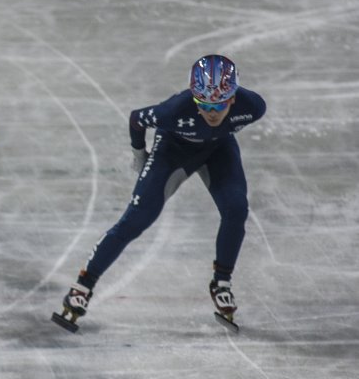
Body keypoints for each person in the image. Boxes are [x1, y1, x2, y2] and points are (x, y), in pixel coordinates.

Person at [53, 54, 266, 333]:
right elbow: (136, 119)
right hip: (173, 150)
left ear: (234, 98)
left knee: (236, 209)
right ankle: (82, 287)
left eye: (219, 104)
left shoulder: (254, 107)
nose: (212, 112)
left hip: (218, 150)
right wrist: (139, 153)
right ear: (194, 97)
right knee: (138, 218)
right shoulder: (174, 111)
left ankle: (222, 281)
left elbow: (217, 128)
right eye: (204, 104)